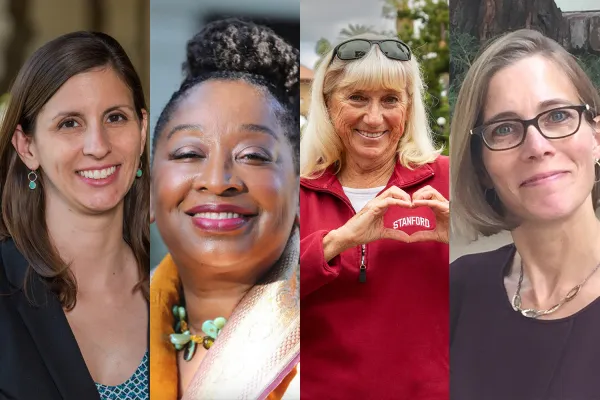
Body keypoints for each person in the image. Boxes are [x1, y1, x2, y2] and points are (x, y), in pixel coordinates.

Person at [149, 19, 300, 400]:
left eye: (253, 155)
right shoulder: (98, 334)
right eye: (188, 153)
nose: (218, 180)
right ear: (148, 192)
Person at [450, 29, 600, 399]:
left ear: (596, 137)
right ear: (482, 166)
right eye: (504, 129)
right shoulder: (458, 289)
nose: (537, 146)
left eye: (558, 115)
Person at [0, 32, 149, 399]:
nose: (98, 146)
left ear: (142, 131)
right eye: (70, 123)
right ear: (27, 146)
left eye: (115, 117)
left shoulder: (181, 279)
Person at [300, 35, 450, 399]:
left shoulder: (451, 179)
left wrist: (464, 241)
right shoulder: (293, 190)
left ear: (409, 106)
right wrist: (340, 240)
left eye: (390, 100)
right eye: (357, 98)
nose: (373, 117)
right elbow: (259, 298)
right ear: (326, 103)